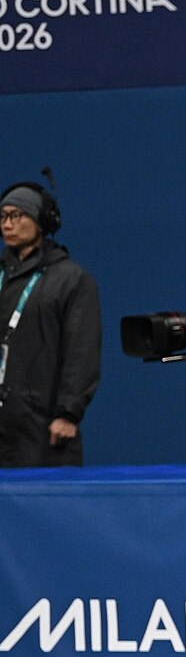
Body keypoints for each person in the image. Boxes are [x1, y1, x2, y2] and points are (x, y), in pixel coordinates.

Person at [0, 180, 98, 468]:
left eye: (16, 216)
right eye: (3, 216)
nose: (7, 224)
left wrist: (68, 414)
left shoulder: (71, 280)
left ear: (42, 222)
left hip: (41, 426)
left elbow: (82, 352)